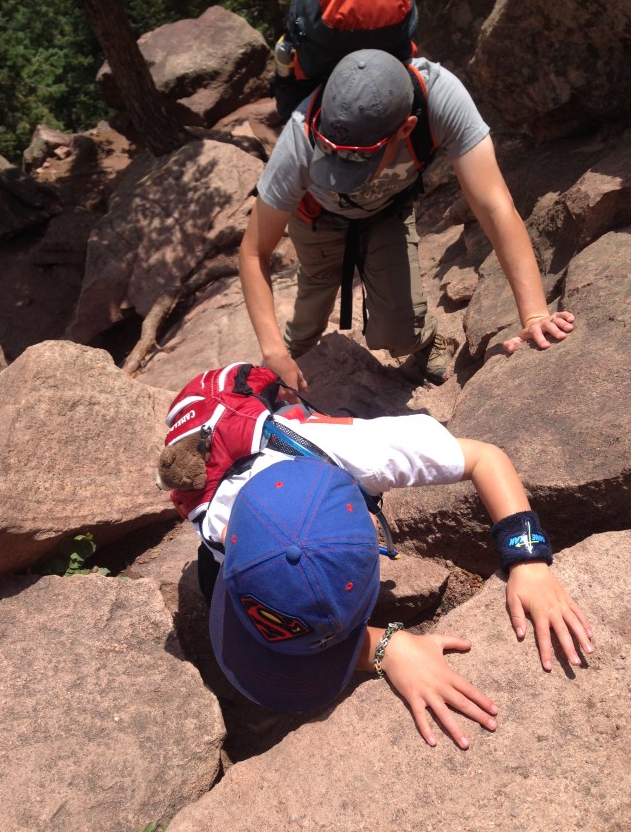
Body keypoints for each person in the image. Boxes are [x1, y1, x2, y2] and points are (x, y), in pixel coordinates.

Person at [196, 405, 593, 750]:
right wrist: (387, 646)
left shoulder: (367, 454)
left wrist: (527, 558)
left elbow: (485, 458)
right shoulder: (215, 521)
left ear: (373, 529)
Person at [239, 49, 575, 389]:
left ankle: (425, 340)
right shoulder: (301, 132)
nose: (347, 172)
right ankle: (295, 352)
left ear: (407, 128)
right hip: (317, 218)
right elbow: (254, 251)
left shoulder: (440, 99)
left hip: (386, 211)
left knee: (401, 329)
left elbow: (494, 205)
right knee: (312, 303)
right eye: (335, 157)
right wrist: (273, 352)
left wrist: (534, 314)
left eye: (360, 161)